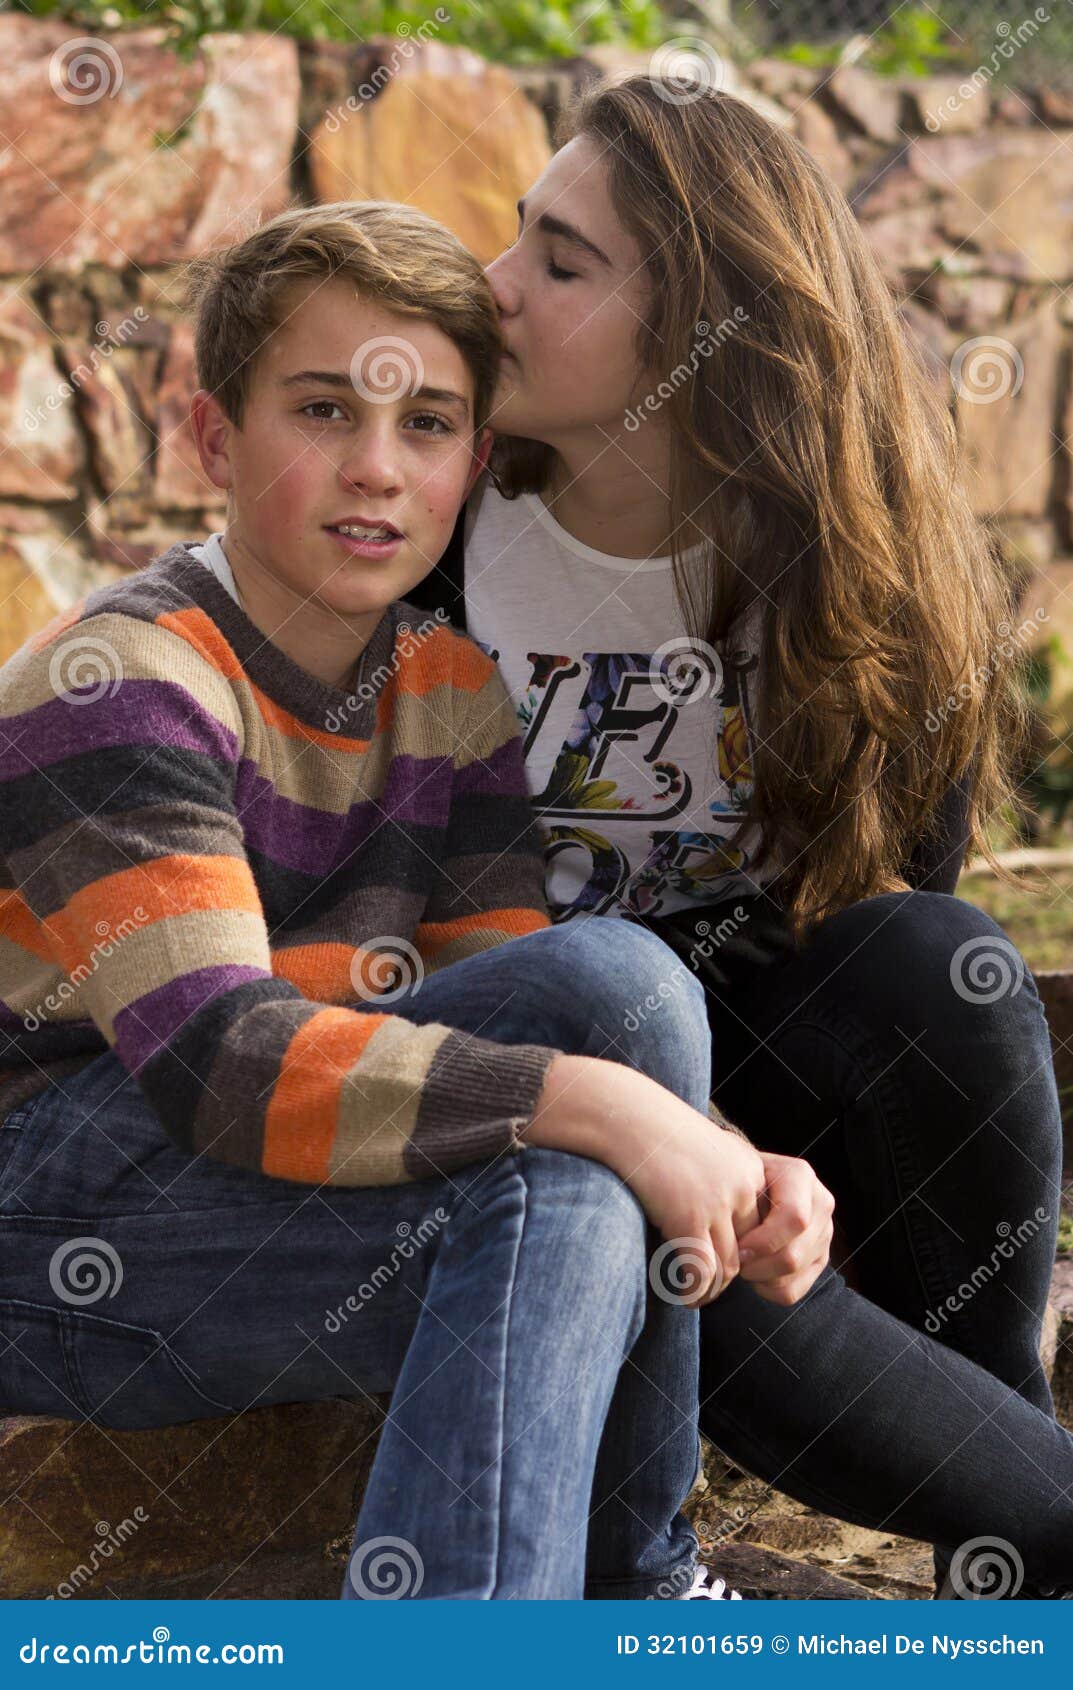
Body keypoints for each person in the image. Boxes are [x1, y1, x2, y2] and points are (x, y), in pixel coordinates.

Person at [0, 197, 812, 1602]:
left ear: (474, 463)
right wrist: (628, 1112)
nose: (375, 470)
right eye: (322, 410)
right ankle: (616, 1591)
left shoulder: (442, 686)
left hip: (252, 1184)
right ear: (211, 440)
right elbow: (216, 1058)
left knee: (605, 1023)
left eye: (427, 424)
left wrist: (723, 1154)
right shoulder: (124, 679)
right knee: (587, 1127)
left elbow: (543, 1016)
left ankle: (595, 1604)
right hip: (51, 1204)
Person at [402, 74, 1071, 1599]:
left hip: (770, 1119)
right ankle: (1034, 1511)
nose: (491, 287)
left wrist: (766, 1165)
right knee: (634, 1133)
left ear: (713, 326)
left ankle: (1001, 1484)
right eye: (519, 236)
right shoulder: (429, 537)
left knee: (940, 959)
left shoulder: (853, 580)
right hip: (544, 1109)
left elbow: (886, 915)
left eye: (561, 263)